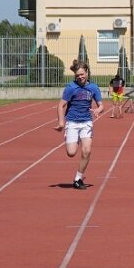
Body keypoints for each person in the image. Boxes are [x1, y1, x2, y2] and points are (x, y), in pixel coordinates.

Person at [54, 60, 104, 190]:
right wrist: (61, 122)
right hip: (72, 122)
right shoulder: (71, 88)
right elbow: (61, 105)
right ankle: (72, 138)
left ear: (87, 72)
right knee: (71, 153)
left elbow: (101, 105)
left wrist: (99, 110)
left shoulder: (93, 87)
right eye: (77, 75)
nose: (80, 77)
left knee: (87, 150)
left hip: (86, 122)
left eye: (82, 74)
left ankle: (78, 178)